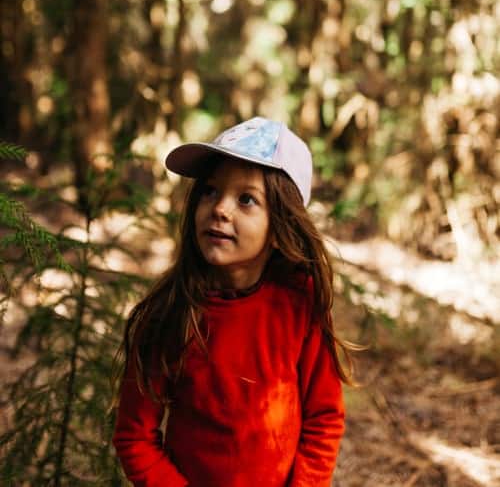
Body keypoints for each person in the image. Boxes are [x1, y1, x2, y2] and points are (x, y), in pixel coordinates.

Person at [113, 117, 353, 487]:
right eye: (210, 191)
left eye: (246, 199)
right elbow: (134, 436)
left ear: (281, 228)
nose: (221, 208)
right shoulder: (170, 312)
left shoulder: (299, 303)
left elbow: (324, 418)